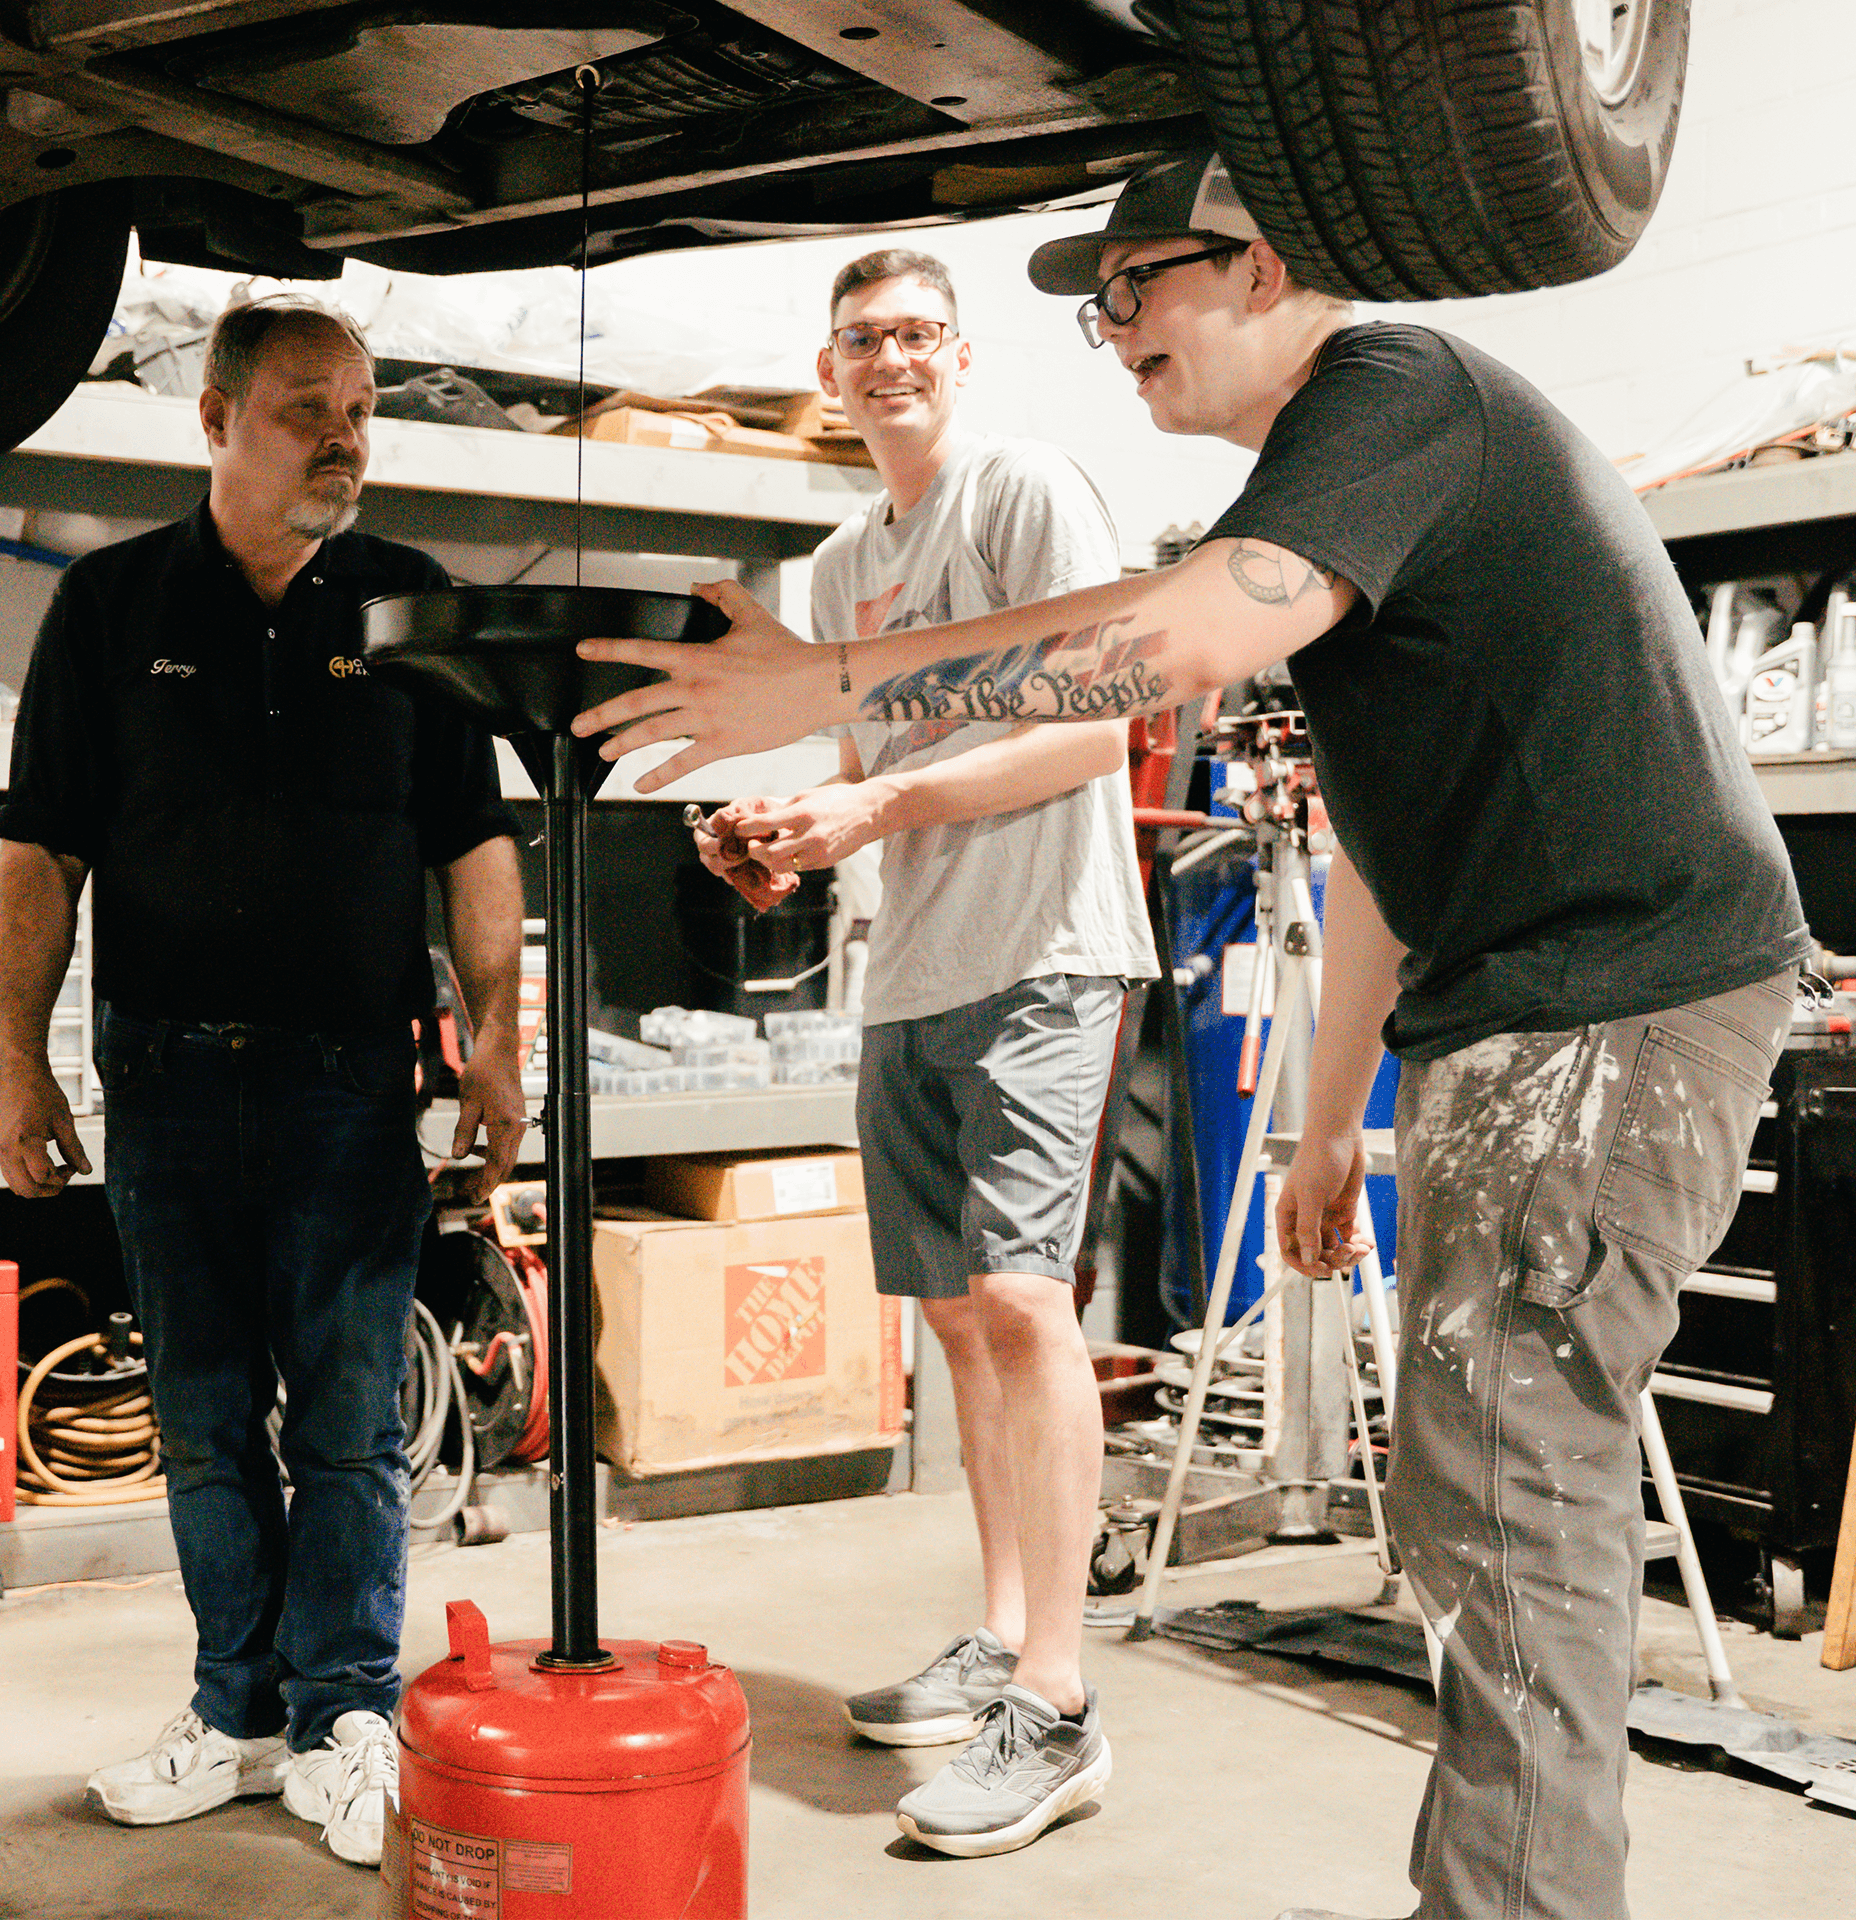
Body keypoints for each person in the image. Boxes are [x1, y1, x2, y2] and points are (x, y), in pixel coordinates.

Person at [572, 153, 1809, 1920]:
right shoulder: (1335, 489)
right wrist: (1324, 1126)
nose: (1113, 331)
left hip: (1616, 997)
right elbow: (1389, 849)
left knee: (1512, 1502)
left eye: (1133, 288)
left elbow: (1159, 646)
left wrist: (833, 689)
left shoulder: (1398, 391)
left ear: (1263, 263)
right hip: (1531, 1007)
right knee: (1481, 1512)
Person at [0, 295, 526, 1869]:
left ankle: (349, 1710)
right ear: (215, 421)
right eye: (306, 408)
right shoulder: (106, 603)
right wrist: (18, 1065)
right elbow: (42, 855)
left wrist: (497, 1033)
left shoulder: (408, 602)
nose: (343, 438)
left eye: (359, 409)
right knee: (208, 1420)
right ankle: (238, 1712)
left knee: (351, 1425)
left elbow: (474, 846)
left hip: (351, 1088)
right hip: (161, 1080)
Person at [691, 248, 1156, 1857]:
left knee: (1028, 1304)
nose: (886, 360)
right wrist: (781, 835)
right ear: (828, 376)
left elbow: (1103, 726)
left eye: (912, 334)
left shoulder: (1023, 490)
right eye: (857, 341)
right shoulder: (838, 560)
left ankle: (1060, 1703)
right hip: (915, 968)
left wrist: (873, 804)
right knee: (959, 1324)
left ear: (959, 355)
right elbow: (876, 758)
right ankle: (1005, 1627)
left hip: (1043, 953)